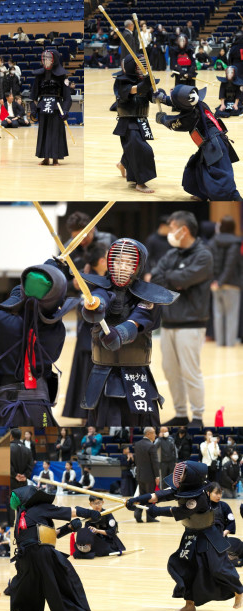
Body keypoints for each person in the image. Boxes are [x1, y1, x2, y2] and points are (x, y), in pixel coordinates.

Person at [80, 238, 179, 426]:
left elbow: (141, 317)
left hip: (136, 372)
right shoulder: (100, 289)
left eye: (128, 263)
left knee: (141, 423)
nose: (122, 267)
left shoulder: (148, 296)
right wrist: (95, 306)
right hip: (103, 372)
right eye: (118, 261)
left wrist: (121, 333)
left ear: (138, 266)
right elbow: (101, 298)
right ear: (110, 262)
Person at [126, 460, 243, 611]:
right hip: (191, 533)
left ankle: (239, 591)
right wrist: (136, 500)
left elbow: (180, 512)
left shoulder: (200, 497)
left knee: (217, 568)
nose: (178, 476)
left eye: (182, 474)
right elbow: (159, 495)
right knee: (184, 567)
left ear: (192, 477)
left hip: (209, 535)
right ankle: (189, 604)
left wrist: (156, 511)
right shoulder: (184, 487)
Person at [0, 261, 78, 427]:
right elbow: (53, 351)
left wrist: (18, 295)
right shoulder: (57, 330)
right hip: (40, 410)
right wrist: (53, 274)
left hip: (3, 407)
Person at [151, 211, 213, 427]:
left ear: (183, 230)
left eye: (172, 228)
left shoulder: (203, 255)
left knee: (190, 372)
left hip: (191, 324)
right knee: (171, 371)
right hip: (168, 323)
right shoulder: (172, 254)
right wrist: (174, 280)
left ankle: (197, 416)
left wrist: (173, 278)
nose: (169, 232)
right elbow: (155, 276)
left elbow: (184, 279)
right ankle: (180, 413)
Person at [9, 485, 99, 611]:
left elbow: (45, 535)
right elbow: (70, 511)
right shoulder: (39, 508)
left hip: (25, 558)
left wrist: (69, 528)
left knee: (26, 586)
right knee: (63, 579)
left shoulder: (21, 517)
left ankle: (11, 608)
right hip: (41, 553)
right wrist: (90, 513)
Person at [153, 85, 241, 200]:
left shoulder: (190, 117)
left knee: (222, 177)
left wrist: (162, 119)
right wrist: (164, 98)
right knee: (196, 167)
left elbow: (174, 122)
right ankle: (202, 194)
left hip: (215, 147)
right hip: (212, 144)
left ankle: (234, 199)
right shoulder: (200, 104)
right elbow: (183, 102)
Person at [63, 243, 108, 421]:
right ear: (102, 261)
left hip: (99, 338)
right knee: (87, 377)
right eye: (107, 257)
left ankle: (92, 415)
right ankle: (86, 416)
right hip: (89, 339)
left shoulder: (101, 280)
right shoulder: (89, 281)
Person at [114, 54, 156, 194]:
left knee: (133, 148)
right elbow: (131, 91)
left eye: (144, 66)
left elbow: (151, 97)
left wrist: (158, 94)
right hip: (128, 121)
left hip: (142, 121)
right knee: (142, 150)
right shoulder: (122, 82)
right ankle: (140, 183)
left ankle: (122, 164)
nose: (142, 68)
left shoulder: (143, 81)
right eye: (139, 66)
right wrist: (145, 84)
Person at [30, 49, 71, 166]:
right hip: (43, 107)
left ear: (54, 60)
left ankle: (55, 158)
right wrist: (33, 110)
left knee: (55, 132)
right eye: (44, 59)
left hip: (56, 108)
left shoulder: (62, 76)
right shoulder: (39, 76)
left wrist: (65, 110)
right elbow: (33, 96)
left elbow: (67, 97)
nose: (46, 61)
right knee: (44, 132)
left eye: (48, 58)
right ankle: (45, 157)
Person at [208, 216, 242, 347]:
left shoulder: (212, 242)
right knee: (231, 315)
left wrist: (215, 282)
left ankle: (220, 344)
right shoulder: (235, 243)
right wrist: (222, 281)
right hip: (232, 285)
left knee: (218, 315)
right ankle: (230, 344)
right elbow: (230, 266)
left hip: (215, 285)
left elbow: (209, 264)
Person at [209, 482, 243, 567]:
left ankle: (227, 558)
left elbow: (231, 522)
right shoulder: (203, 506)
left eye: (220, 493)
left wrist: (224, 533)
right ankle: (226, 558)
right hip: (206, 542)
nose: (219, 496)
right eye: (216, 493)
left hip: (222, 540)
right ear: (208, 492)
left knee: (238, 544)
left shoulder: (224, 506)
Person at [133, 427, 160, 523]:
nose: (155, 435)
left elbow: (136, 461)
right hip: (150, 476)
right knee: (150, 496)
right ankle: (150, 517)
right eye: (154, 433)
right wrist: (157, 476)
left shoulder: (137, 444)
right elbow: (155, 462)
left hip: (140, 475)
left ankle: (138, 514)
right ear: (148, 434)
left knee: (142, 495)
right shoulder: (151, 445)